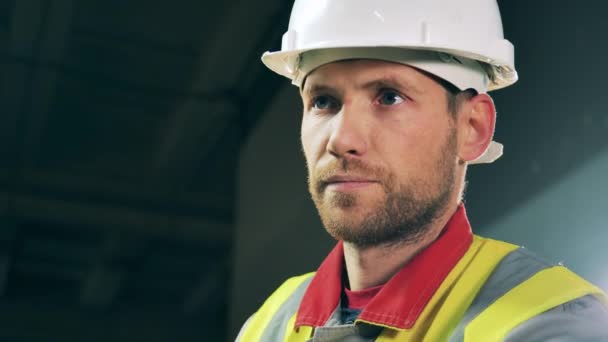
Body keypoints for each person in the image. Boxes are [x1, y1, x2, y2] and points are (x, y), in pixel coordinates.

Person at [236, 0, 608, 341]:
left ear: (472, 128)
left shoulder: (553, 322)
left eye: (389, 97)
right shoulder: (268, 323)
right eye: (323, 101)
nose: (342, 139)